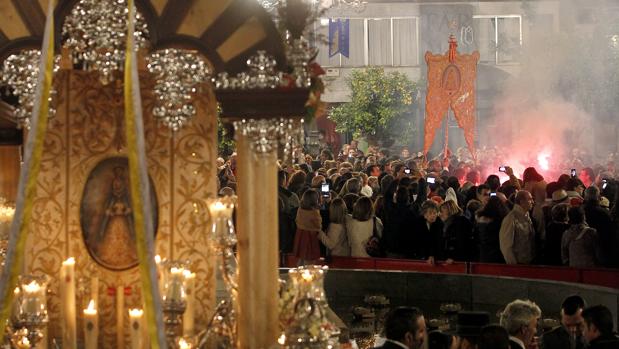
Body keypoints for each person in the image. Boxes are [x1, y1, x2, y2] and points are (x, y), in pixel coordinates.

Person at [499, 190, 536, 264]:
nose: (532, 202)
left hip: (528, 262)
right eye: (530, 199)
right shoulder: (511, 219)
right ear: (521, 202)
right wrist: (514, 267)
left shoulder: (527, 216)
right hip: (519, 264)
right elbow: (506, 246)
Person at [582, 186, 614, 266]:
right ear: (598, 196)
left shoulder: (580, 211)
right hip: (603, 249)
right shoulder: (605, 213)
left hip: (583, 250)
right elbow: (610, 233)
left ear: (585, 197)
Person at [475, 196, 509, 263]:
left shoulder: (480, 220)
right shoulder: (502, 220)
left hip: (484, 252)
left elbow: (478, 236)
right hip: (499, 252)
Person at [293, 189, 322, 264]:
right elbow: (318, 226)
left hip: (300, 234)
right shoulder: (314, 213)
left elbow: (297, 220)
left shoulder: (300, 209)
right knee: (309, 260)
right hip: (310, 236)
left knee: (301, 257)